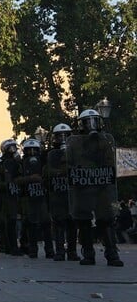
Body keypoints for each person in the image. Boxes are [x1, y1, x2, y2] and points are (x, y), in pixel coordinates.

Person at [67, 109, 123, 266]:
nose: (91, 125)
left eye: (94, 121)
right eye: (87, 122)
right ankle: (88, 253)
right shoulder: (75, 143)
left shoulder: (105, 140)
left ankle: (112, 253)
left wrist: (99, 140)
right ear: (81, 124)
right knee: (84, 221)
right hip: (83, 188)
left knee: (106, 219)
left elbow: (110, 161)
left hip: (101, 188)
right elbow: (71, 163)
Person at [43, 123, 80, 261]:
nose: (63, 139)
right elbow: (48, 171)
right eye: (60, 136)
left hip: (71, 193)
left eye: (66, 135)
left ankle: (72, 251)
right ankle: (59, 251)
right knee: (59, 223)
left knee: (72, 223)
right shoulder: (51, 153)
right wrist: (60, 171)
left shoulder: (75, 152)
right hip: (57, 192)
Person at [19, 138, 53, 259]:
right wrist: (30, 179)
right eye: (29, 150)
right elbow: (15, 180)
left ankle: (49, 250)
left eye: (35, 150)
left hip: (43, 196)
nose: (32, 152)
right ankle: (32, 250)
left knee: (46, 223)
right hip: (28, 197)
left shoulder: (44, 162)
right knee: (31, 224)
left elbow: (50, 175)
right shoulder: (21, 163)